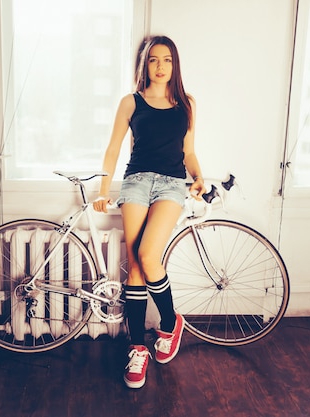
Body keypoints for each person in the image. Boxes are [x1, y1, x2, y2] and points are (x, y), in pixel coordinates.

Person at [93, 35, 206, 389]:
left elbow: (188, 150)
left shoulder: (186, 103)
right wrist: (103, 188)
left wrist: (199, 176)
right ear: (145, 65)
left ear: (175, 64)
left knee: (148, 255)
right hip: (137, 182)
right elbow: (113, 149)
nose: (161, 66)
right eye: (154, 60)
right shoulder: (131, 102)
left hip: (172, 185)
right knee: (135, 264)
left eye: (167, 60)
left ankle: (170, 323)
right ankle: (138, 347)